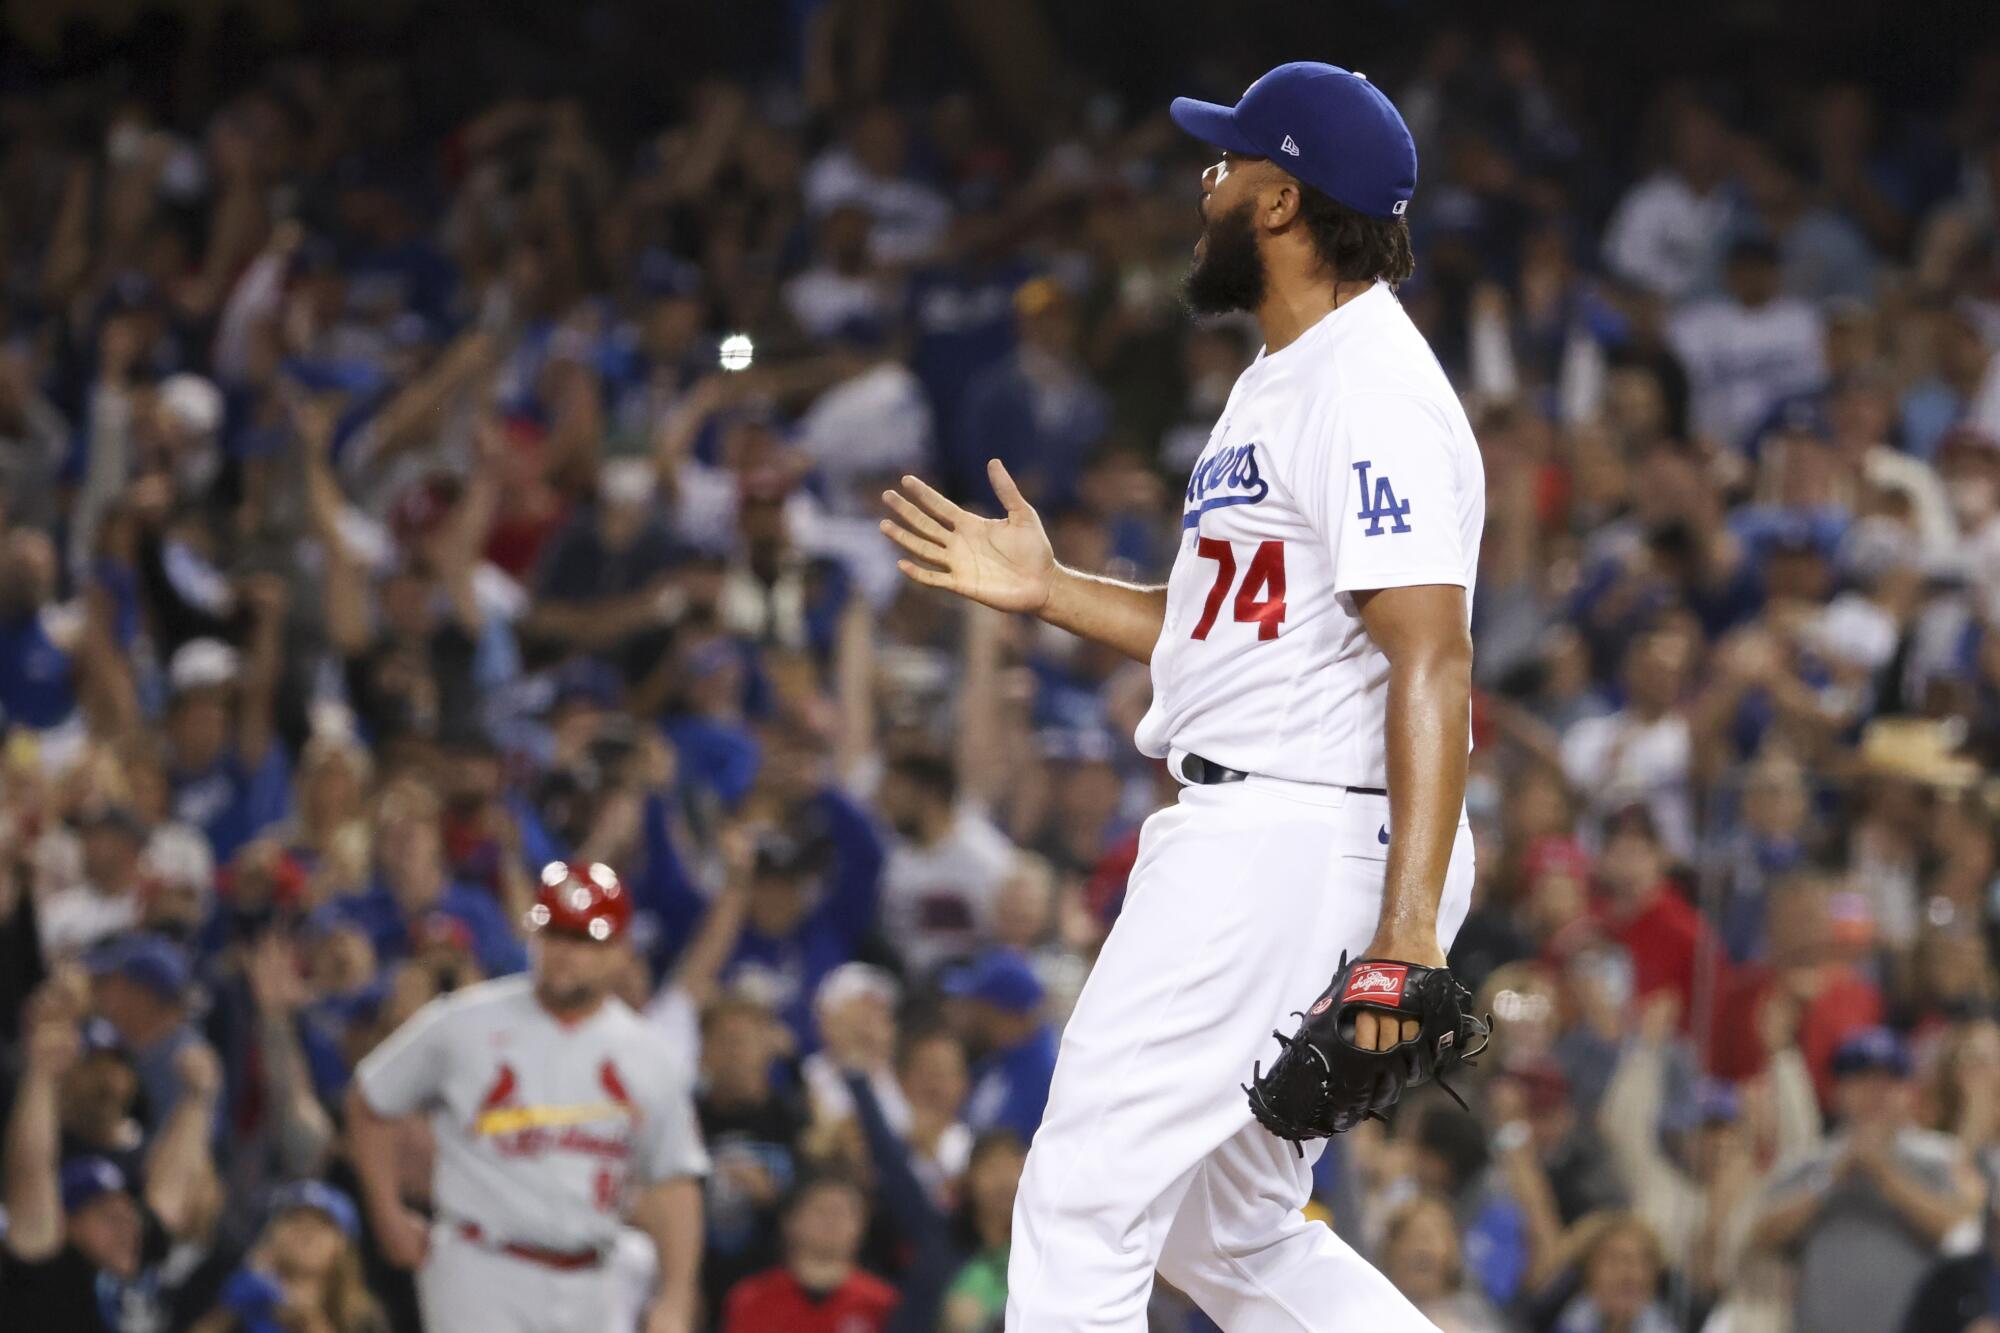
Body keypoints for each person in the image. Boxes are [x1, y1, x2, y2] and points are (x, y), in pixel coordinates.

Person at [881, 60, 1484, 1331]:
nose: (1202, 186)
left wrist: (1408, 931)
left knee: (1083, 1197)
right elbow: (1226, 633)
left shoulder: (1365, 386)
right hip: (1292, 819)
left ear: (1280, 201)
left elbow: (1429, 651)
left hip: (1293, 833)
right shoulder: (1292, 373)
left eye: (1225, 166)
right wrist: (1053, 593)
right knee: (1233, 1229)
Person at [345, 861, 708, 1333]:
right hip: (479, 1265)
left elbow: (675, 1181)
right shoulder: (464, 1022)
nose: (564, 953)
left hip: (593, 1276)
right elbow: (370, 1100)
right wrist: (387, 1212)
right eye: (554, 934)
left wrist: (676, 1298)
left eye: (583, 940)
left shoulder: (646, 1054)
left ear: (620, 951)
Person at [1, 990, 223, 1333]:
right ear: (68, 1226)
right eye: (106, 1214)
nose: (126, 1224)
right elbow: (32, 1170)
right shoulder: (48, 1270)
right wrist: (41, 1077)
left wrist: (198, 1098)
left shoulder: (133, 1252)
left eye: (126, 1212)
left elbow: (169, 1192)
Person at [1749, 1027, 1985, 1333]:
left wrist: (1885, 1175)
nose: (1876, 1092)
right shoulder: (1812, 1161)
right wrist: (1831, 1179)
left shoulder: (1940, 1156)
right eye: (1861, 1078)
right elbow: (1762, 1236)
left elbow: (1962, 1233)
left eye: (1889, 1080)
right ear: (1838, 1091)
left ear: (1908, 1093)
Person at [190, 1181, 387, 1333]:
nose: (306, 1231)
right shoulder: (220, 1281)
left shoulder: (363, 1319)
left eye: (323, 1224)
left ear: (343, 1247)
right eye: (295, 1219)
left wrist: (308, 1321)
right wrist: (228, 1311)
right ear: (271, 1231)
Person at [719, 1174, 899, 1333]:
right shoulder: (752, 1299)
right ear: (790, 1221)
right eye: (820, 1211)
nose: (832, 1221)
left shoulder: (883, 1304)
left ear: (862, 1226)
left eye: (844, 1213)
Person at [944, 949, 1059, 1144]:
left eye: (977, 1007)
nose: (968, 1015)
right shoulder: (995, 1058)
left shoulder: (1044, 1077)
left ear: (1004, 1014)